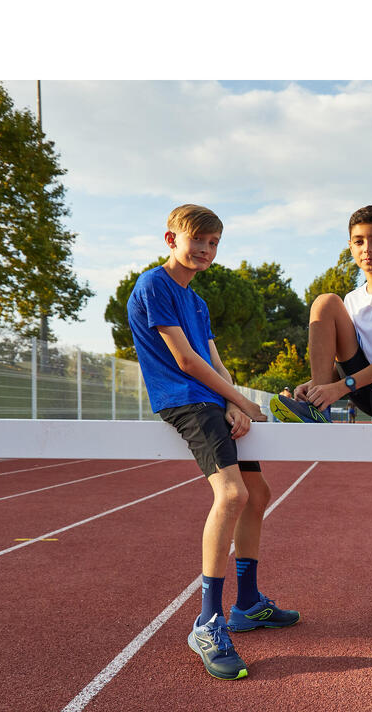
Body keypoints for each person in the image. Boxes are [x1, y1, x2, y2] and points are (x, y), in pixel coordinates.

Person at [126, 203, 299, 682]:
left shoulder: (198, 303)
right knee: (233, 494)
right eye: (196, 240)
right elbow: (184, 361)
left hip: (212, 400)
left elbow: (215, 362)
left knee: (258, 493)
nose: (204, 249)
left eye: (214, 242)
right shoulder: (154, 285)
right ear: (171, 240)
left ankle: (247, 604)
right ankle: (207, 621)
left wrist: (237, 402)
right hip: (184, 400)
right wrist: (236, 401)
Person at [270, 205, 372, 625]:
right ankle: (313, 405)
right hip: (362, 389)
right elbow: (343, 345)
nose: (368, 249)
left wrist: (341, 387)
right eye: (359, 241)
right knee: (326, 302)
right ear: (350, 248)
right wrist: (323, 383)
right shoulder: (353, 299)